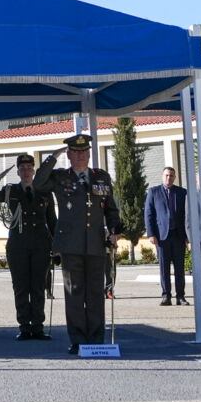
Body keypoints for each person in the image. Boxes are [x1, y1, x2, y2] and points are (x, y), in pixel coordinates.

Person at [41, 130, 120, 351]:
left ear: (89, 153)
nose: (81, 156)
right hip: (70, 245)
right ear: (69, 155)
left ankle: (96, 340)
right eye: (75, 152)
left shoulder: (100, 177)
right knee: (74, 293)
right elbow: (38, 183)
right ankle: (78, 340)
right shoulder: (59, 177)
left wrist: (115, 229)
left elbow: (111, 209)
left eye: (84, 151)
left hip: (95, 243)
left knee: (95, 293)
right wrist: (53, 157)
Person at [0, 152, 55, 338]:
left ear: (34, 171)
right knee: (21, 287)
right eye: (22, 169)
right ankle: (24, 326)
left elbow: (52, 220)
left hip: (41, 244)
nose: (26, 172)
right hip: (18, 245)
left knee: (38, 286)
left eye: (29, 168)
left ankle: (38, 327)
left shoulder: (44, 192)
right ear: (17, 172)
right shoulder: (11, 191)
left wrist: (57, 246)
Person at [142, 165, 187, 306]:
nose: (169, 178)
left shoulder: (182, 192)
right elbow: (148, 214)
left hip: (178, 236)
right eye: (166, 175)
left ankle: (180, 296)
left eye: (171, 176)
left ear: (175, 177)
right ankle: (166, 296)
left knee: (179, 268)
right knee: (164, 268)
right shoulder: (154, 192)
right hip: (161, 237)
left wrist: (188, 236)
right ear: (162, 176)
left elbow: (187, 215)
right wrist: (151, 234)